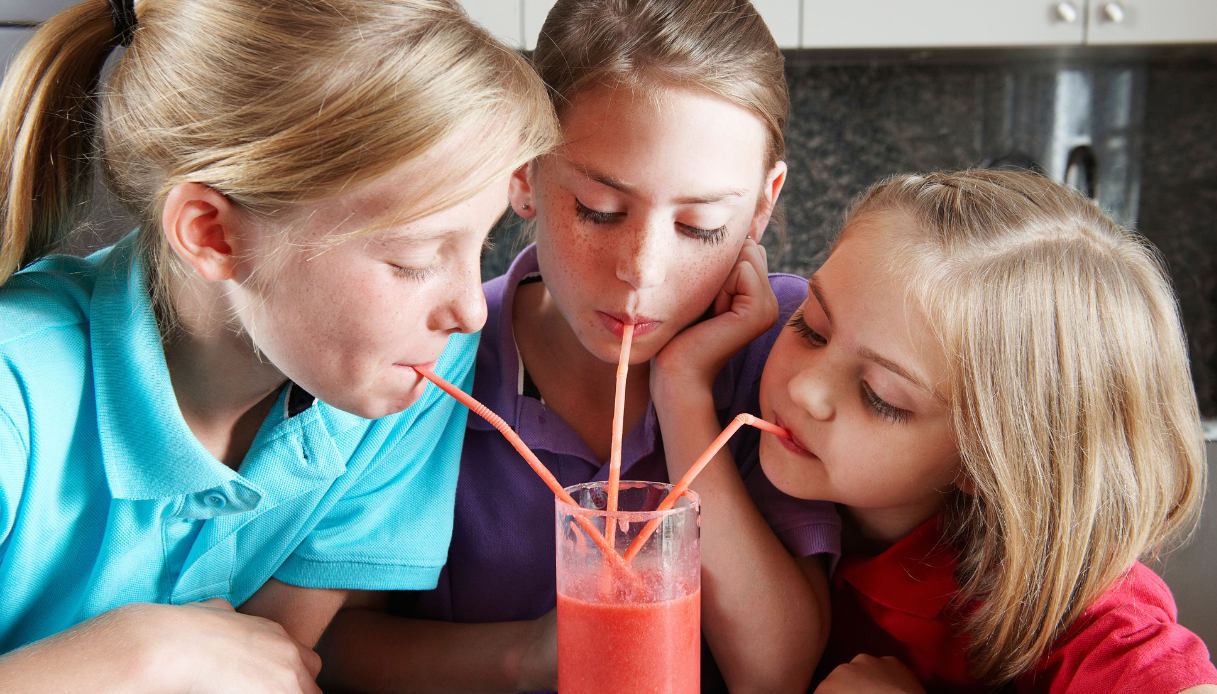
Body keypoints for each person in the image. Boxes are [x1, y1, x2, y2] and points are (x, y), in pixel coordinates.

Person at [0, 0, 557, 690]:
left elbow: (269, 667)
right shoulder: (14, 399)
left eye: (481, 243)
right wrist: (143, 653)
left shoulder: (395, 379)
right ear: (213, 235)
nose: (472, 310)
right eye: (415, 259)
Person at [318, 1, 839, 692]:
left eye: (702, 224)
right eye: (599, 210)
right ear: (525, 170)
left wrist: (683, 394)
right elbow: (331, 644)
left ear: (761, 206)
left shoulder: (791, 353)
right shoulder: (430, 353)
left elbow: (774, 673)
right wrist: (532, 655)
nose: (642, 269)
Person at [755, 169, 1217, 692]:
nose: (804, 390)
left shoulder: (1074, 615)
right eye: (810, 327)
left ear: (988, 464)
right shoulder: (751, 453)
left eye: (881, 396)